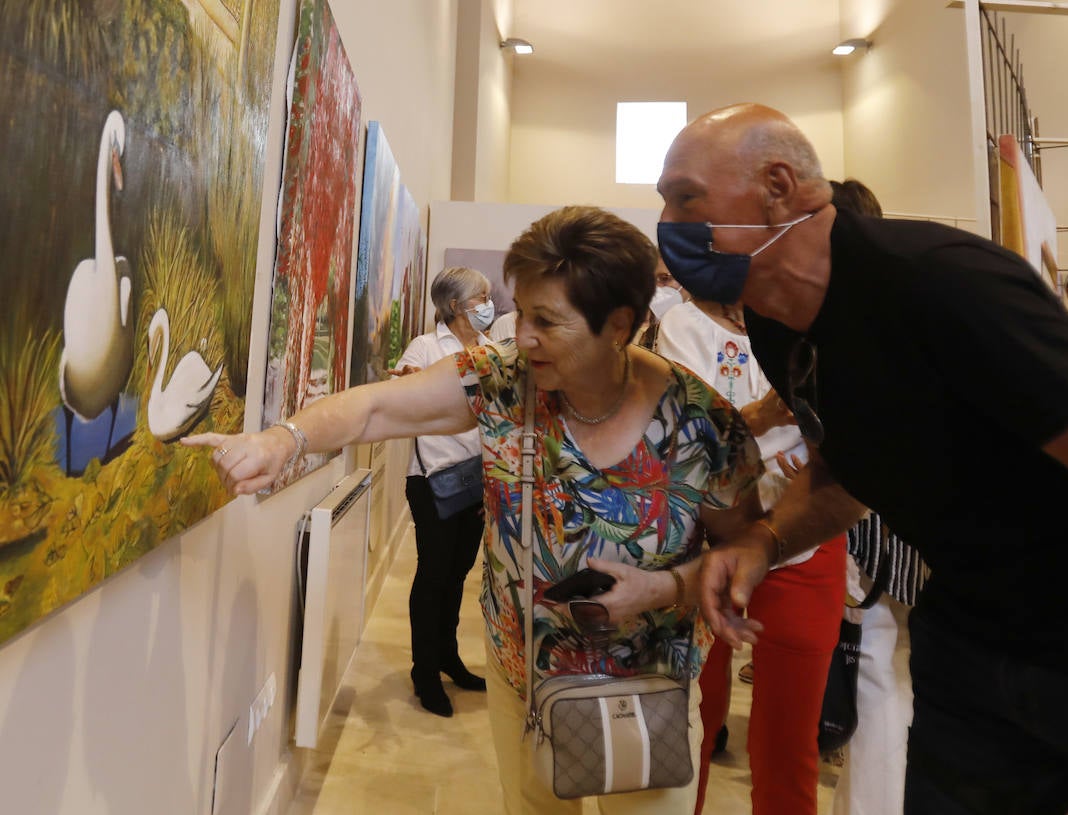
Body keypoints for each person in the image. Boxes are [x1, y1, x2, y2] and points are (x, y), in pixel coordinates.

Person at [658, 103, 1068, 815]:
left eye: (684, 197)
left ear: (779, 185)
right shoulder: (779, 326)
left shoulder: (938, 283)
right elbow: (850, 469)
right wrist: (766, 537)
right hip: (980, 646)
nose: (665, 221)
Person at [188, 205, 764, 814]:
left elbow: (747, 548)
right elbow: (376, 408)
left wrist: (663, 586)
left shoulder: (701, 424)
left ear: (618, 325)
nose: (522, 336)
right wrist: (283, 440)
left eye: (547, 321)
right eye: (521, 312)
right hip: (524, 681)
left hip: (646, 689)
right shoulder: (505, 380)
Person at [656, 286, 846, 815]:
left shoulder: (823, 324)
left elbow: (863, 438)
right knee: (693, 716)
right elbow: (673, 443)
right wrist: (759, 418)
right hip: (703, 541)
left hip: (805, 540)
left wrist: (820, 463)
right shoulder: (686, 327)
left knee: (790, 733)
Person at [825, 177, 923, 815]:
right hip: (900, 520)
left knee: (872, 676)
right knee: (880, 672)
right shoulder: (904, 300)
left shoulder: (850, 314)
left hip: (867, 525)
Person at [390, 266, 493, 716]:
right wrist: (412, 382)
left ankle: (449, 657)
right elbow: (402, 397)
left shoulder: (491, 350)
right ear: (455, 306)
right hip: (432, 479)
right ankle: (424, 671)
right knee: (432, 574)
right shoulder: (427, 347)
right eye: (481, 297)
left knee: (458, 573)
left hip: (479, 478)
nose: (490, 304)